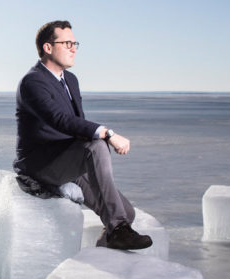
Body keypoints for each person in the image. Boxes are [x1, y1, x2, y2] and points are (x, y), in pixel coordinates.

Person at [13, 20, 152, 251]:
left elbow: (76, 125)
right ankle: (117, 230)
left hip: (67, 161)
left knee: (127, 212)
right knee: (97, 146)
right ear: (48, 48)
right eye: (67, 43)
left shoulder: (71, 80)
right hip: (41, 165)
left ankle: (104, 252)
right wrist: (106, 133)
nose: (73, 48)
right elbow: (59, 120)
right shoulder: (33, 81)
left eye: (74, 43)